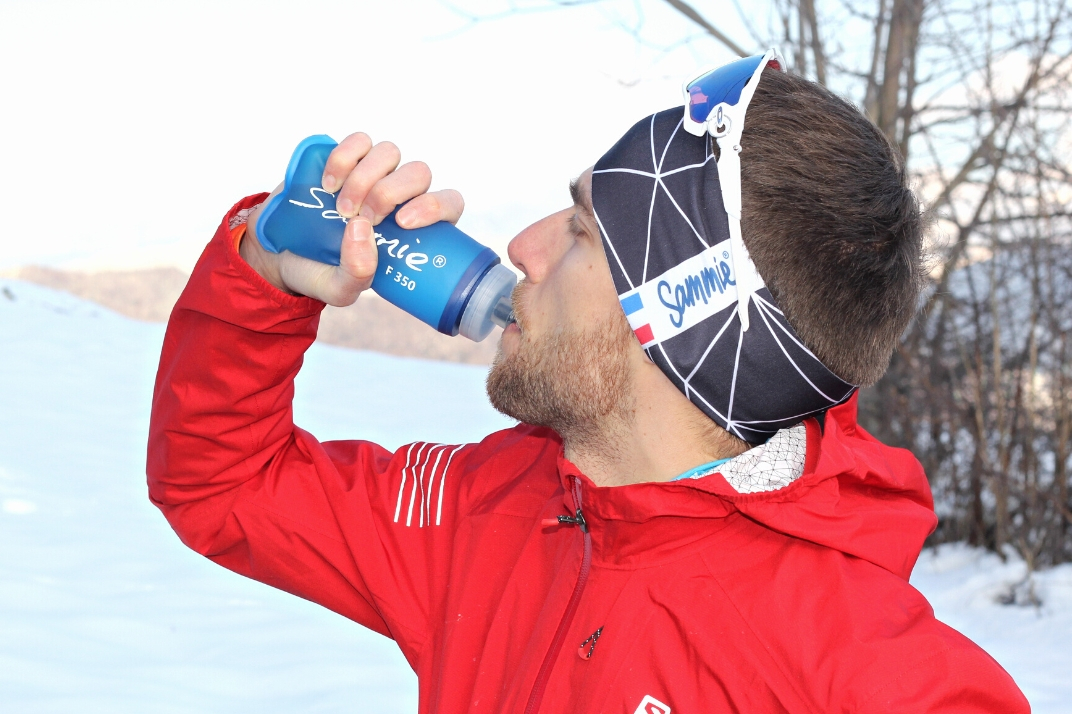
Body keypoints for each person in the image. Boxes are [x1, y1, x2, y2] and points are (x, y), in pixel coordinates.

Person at [147, 52, 1029, 713]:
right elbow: (225, 484)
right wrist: (264, 269)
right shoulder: (482, 508)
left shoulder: (854, 669)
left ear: (683, 316)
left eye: (580, 230)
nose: (522, 247)